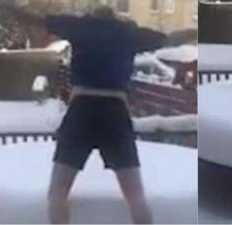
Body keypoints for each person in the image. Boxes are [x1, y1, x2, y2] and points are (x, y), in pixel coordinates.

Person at [45, 6, 166, 224]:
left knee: (58, 191)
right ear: (116, 17)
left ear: (92, 15)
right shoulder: (127, 33)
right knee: (135, 195)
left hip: (81, 110)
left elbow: (40, 20)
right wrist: (132, 29)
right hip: (115, 112)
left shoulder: (80, 27)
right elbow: (163, 39)